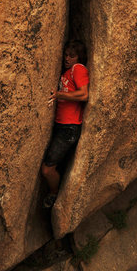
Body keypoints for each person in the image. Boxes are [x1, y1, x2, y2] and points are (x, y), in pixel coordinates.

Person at [41, 40, 89, 209]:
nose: (67, 58)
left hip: (69, 128)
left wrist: (59, 94)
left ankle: (54, 194)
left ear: (79, 58)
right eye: (66, 54)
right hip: (62, 125)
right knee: (53, 165)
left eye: (72, 56)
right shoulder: (67, 72)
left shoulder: (78, 69)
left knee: (47, 170)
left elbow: (84, 95)